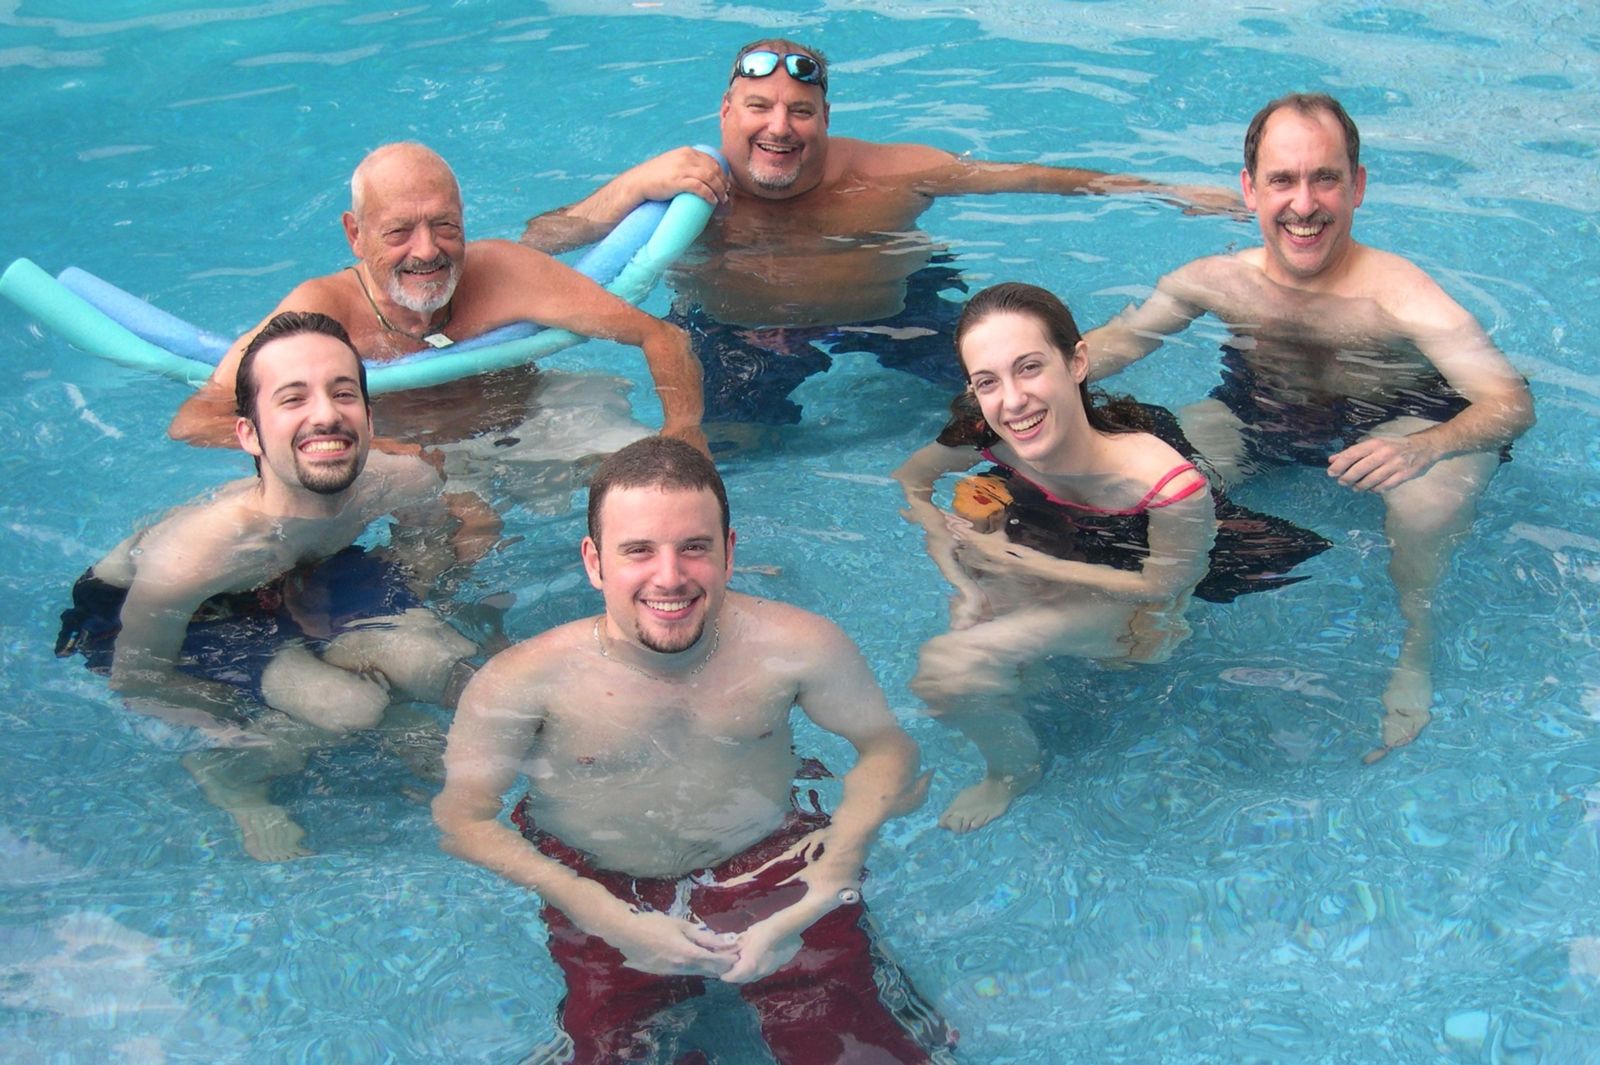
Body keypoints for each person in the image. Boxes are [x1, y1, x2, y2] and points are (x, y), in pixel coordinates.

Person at [433, 437, 952, 1063]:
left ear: (729, 553)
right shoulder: (523, 681)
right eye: (639, 551)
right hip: (600, 888)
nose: (670, 576)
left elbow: (886, 751)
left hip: (772, 870)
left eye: (694, 547)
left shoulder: (797, 646)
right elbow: (463, 820)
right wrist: (605, 915)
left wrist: (829, 876)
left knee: (859, 1048)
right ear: (595, 562)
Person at [1082, 93, 1535, 761]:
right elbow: (1117, 342)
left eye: (1325, 177)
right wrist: (1026, 376)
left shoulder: (1400, 295)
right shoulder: (1214, 282)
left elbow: (1509, 403)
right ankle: (1159, 603)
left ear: (1357, 186)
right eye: (1282, 180)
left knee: (1424, 506)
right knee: (1144, 476)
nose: (1304, 204)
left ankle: (1416, 645)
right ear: (1249, 189)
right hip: (1260, 414)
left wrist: (1425, 447)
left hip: (1402, 418)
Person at [521, 38, 1241, 428]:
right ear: (725, 112)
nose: (779, 127)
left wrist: (1167, 189)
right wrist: (627, 189)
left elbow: (1028, 178)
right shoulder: (674, 188)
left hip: (893, 308)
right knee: (731, 450)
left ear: (825, 120)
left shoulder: (894, 174)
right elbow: (543, 244)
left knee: (1023, 407)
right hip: (736, 327)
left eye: (800, 110)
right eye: (759, 107)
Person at [59, 312, 499, 861]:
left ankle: (368, 696)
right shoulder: (196, 554)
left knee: (448, 665)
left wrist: (384, 614)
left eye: (342, 394)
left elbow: (428, 544)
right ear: (249, 433)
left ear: (368, 413)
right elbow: (138, 678)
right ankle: (232, 773)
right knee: (347, 707)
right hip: (165, 614)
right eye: (293, 399)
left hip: (308, 570)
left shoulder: (400, 479)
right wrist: (248, 723)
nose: (325, 415)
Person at [895, 282, 1328, 833]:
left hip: (1139, 581)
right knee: (990, 655)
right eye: (988, 382)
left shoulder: (1166, 484)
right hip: (1059, 534)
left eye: (1029, 367)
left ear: (1077, 362)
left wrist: (1014, 562)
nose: (1012, 401)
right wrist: (964, 581)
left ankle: (1013, 772)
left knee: (950, 670)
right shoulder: (986, 433)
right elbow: (912, 483)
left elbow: (1164, 586)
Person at [168, 141, 706, 458]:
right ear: (355, 234)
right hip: (411, 454)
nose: (427, 251)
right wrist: (372, 453)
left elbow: (659, 334)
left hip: (533, 418)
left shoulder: (503, 272)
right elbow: (197, 420)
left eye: (444, 226)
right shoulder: (320, 312)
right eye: (399, 231)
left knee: (650, 482)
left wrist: (683, 431)